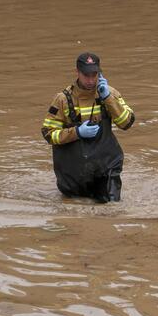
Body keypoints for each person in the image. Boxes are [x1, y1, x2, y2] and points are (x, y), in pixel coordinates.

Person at [40, 52, 135, 203]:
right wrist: (76, 132)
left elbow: (127, 123)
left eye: (94, 74)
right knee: (74, 210)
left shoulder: (110, 93)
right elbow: (48, 134)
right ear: (77, 72)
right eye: (86, 75)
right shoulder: (62, 99)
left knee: (112, 207)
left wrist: (108, 99)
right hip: (73, 174)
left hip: (105, 168)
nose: (91, 80)